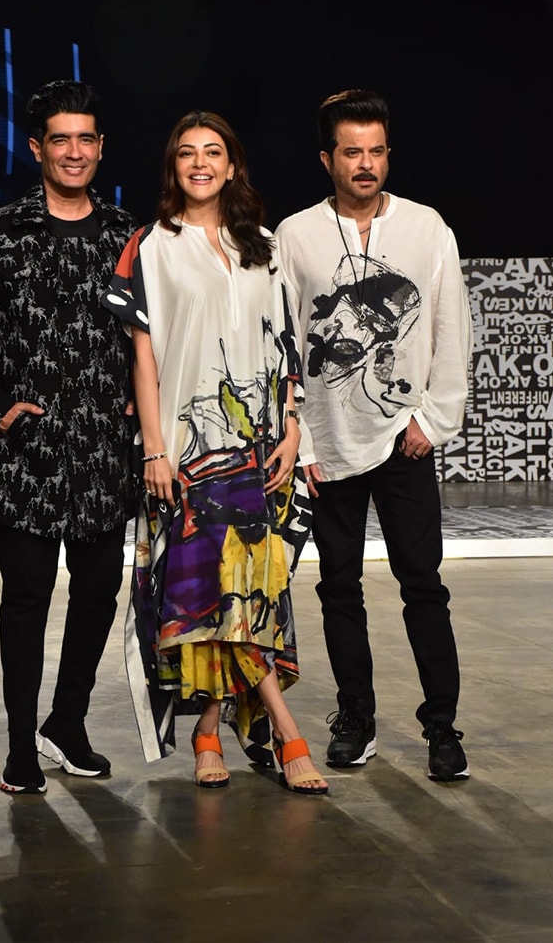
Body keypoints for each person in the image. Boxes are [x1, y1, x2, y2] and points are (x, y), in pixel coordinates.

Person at [100, 110, 328, 795]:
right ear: (173, 168)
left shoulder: (264, 244)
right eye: (187, 154)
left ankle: (207, 728)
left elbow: (285, 345)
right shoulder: (151, 244)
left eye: (214, 152)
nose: (201, 163)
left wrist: (293, 428)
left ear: (232, 166)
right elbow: (141, 357)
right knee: (215, 598)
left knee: (246, 596)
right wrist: (153, 449)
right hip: (190, 455)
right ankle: (289, 733)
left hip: (261, 449)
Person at [0, 79, 139, 795]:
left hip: (103, 455)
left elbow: (153, 339)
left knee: (97, 595)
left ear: (101, 148)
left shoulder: (127, 235)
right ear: (37, 148)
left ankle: (68, 723)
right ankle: (21, 746)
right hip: (25, 459)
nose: (75, 151)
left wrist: (141, 414)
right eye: (61, 138)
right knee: (25, 600)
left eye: (87, 138)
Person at [275, 89, 472, 782]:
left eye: (376, 151)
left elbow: (451, 329)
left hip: (404, 438)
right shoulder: (294, 236)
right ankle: (355, 719)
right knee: (339, 587)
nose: (365, 164)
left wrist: (433, 419)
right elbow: (286, 339)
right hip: (328, 443)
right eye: (351, 152)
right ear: (327, 158)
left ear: (389, 154)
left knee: (424, 586)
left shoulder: (427, 230)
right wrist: (297, 431)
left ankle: (442, 728)